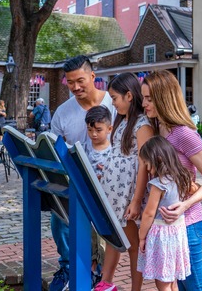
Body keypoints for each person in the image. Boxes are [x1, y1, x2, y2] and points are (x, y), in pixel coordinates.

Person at [141, 70, 202, 291]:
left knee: (194, 287)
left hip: (188, 223)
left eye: (149, 98)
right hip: (167, 227)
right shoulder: (158, 130)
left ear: (163, 98)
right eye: (143, 98)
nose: (144, 104)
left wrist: (185, 205)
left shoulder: (184, 134)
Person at [49, 55, 116, 291]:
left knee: (104, 233)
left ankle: (99, 274)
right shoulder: (63, 113)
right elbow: (53, 148)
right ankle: (68, 266)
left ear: (93, 77)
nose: (75, 87)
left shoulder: (114, 104)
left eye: (80, 80)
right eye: (70, 82)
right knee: (60, 223)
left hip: (108, 180)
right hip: (73, 181)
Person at [95, 72, 153, 291]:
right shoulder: (123, 121)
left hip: (127, 196)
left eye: (115, 97)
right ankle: (106, 282)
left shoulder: (142, 125)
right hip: (115, 194)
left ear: (129, 96)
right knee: (114, 238)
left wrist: (136, 201)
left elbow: (143, 166)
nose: (112, 102)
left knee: (133, 246)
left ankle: (135, 289)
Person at [137, 135, 192, 291]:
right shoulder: (182, 178)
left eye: (148, 163)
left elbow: (148, 213)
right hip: (177, 233)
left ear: (158, 159)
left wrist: (142, 237)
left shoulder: (158, 185)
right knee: (172, 280)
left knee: (162, 281)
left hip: (162, 236)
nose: (147, 168)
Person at [84, 105, 113, 286]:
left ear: (109, 129)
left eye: (98, 130)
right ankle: (91, 268)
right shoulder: (85, 148)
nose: (94, 134)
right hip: (88, 202)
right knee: (89, 238)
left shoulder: (113, 152)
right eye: (90, 130)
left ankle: (103, 275)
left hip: (105, 204)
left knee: (103, 240)